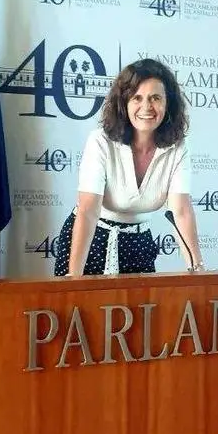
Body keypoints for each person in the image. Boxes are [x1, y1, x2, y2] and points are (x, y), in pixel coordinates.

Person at [53, 58, 204, 277]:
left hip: (139, 243)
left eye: (155, 98)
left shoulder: (179, 146)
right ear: (123, 103)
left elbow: (181, 211)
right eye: (137, 98)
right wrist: (74, 278)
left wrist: (198, 272)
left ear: (168, 103)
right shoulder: (100, 141)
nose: (146, 107)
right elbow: (88, 211)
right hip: (90, 240)